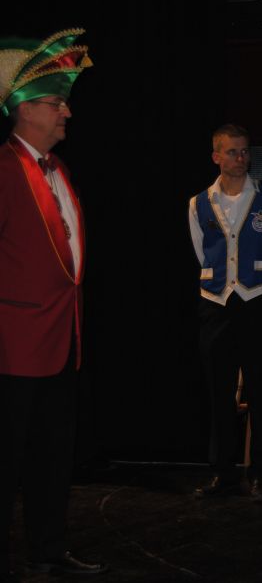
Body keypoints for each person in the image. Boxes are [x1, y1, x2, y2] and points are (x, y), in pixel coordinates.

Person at [0, 29, 107, 579]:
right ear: (23, 111)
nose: (66, 111)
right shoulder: (3, 169)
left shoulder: (59, 169)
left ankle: (47, 546)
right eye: (54, 102)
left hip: (64, 339)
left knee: (52, 455)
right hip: (13, 347)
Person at [189, 124, 262, 502]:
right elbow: (202, 251)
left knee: (261, 391)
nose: (240, 158)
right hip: (216, 305)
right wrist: (222, 288)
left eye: (245, 151)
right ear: (216, 156)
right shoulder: (198, 203)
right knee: (219, 393)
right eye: (232, 151)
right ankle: (223, 473)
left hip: (257, 302)